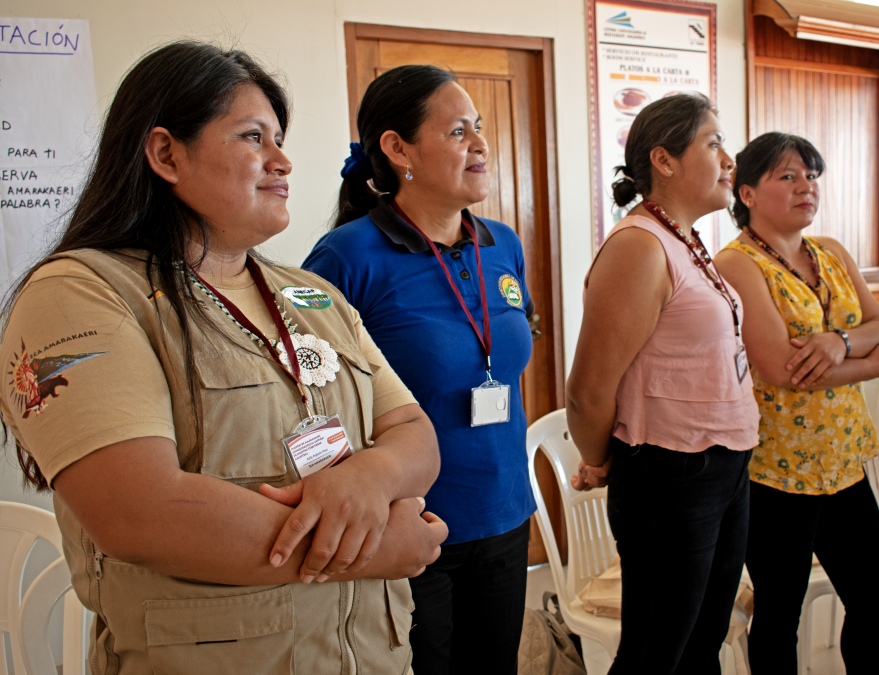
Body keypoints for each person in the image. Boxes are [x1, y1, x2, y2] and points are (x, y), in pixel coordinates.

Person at [0, 42, 447, 675]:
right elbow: (140, 514)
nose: (282, 159)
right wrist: (370, 549)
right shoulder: (82, 293)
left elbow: (411, 431)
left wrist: (366, 479)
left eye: (280, 137)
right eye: (252, 137)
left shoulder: (312, 294)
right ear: (165, 154)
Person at [302, 65, 535, 675]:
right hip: (407, 526)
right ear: (398, 148)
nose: (481, 144)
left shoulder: (502, 243)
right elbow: (305, 396)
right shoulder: (348, 256)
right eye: (458, 131)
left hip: (505, 511)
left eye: (479, 128)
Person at [565, 93, 760, 675]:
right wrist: (601, 461)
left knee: (702, 643)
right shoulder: (639, 246)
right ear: (665, 160)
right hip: (670, 471)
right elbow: (589, 388)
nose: (730, 159)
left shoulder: (684, 238)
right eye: (713, 142)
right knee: (656, 653)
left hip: (723, 463)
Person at [714, 131, 879, 673]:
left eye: (811, 176)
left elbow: (878, 326)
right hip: (776, 470)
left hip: (843, 461)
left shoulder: (832, 252)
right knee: (779, 613)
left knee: (874, 598)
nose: (806, 188)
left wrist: (836, 343)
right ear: (746, 192)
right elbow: (781, 369)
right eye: (788, 176)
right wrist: (872, 359)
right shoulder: (739, 263)